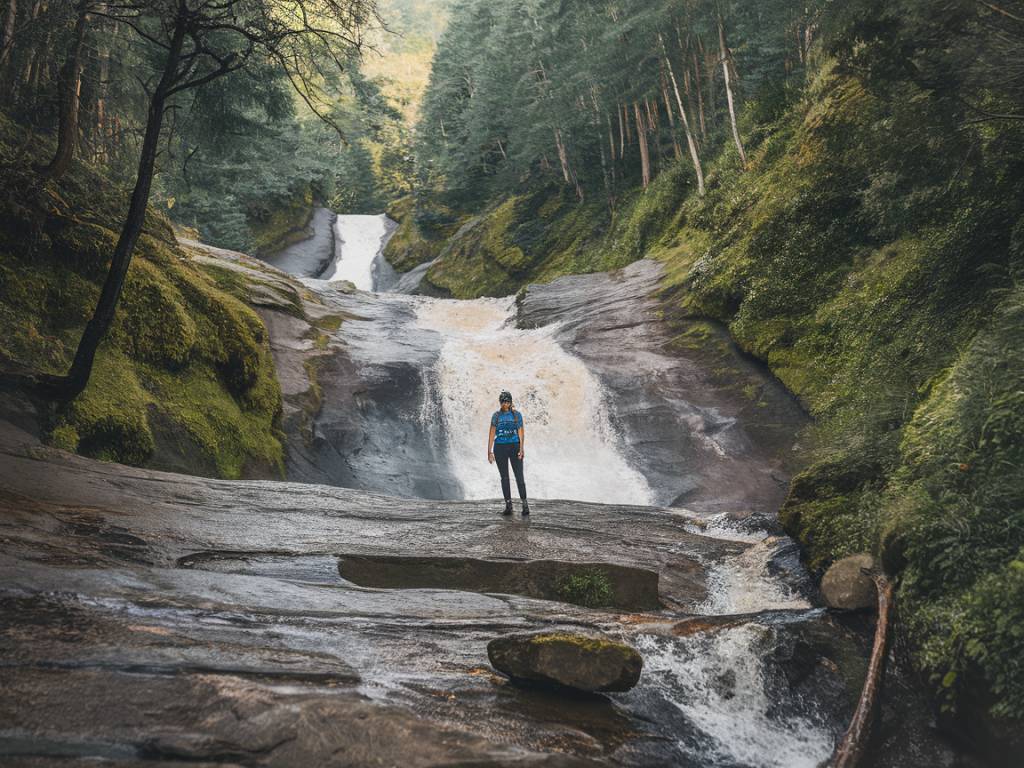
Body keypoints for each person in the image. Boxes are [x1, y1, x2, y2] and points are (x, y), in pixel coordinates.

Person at [487, 390, 529, 516]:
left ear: (511, 402)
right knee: (504, 477)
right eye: (503, 402)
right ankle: (508, 505)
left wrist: (521, 449)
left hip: (514, 447)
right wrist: (489, 451)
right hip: (499, 448)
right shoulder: (496, 416)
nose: (505, 404)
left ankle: (525, 504)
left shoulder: (517, 415)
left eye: (507, 401)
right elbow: (491, 433)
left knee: (519, 476)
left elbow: (521, 433)